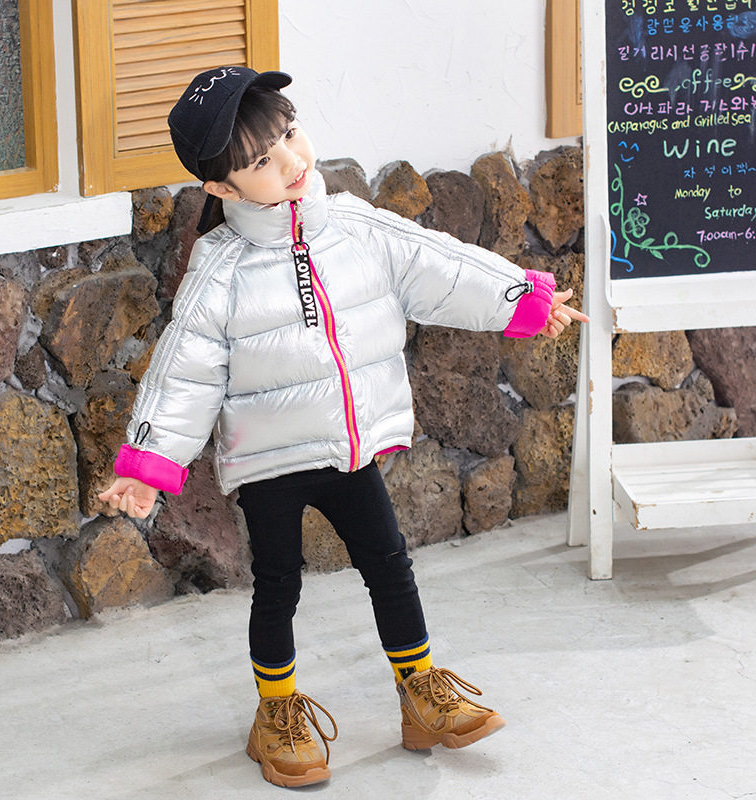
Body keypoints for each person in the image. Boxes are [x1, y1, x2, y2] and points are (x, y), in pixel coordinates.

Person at [99, 66, 589, 789]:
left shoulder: (355, 226)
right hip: (269, 461)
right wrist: (147, 468)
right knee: (278, 584)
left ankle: (420, 694)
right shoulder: (220, 269)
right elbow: (183, 374)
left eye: (290, 135)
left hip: (348, 450)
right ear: (222, 189)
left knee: (390, 565)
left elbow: (442, 267)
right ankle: (276, 713)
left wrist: (524, 300)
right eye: (261, 161)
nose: (291, 162)